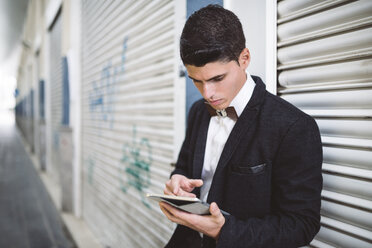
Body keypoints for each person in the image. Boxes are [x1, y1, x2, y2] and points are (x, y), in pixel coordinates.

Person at [159, 4, 323, 248]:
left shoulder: (294, 126)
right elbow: (184, 165)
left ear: (244, 58)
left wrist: (223, 231)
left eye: (217, 78)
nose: (208, 93)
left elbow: (301, 224)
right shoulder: (197, 112)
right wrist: (179, 180)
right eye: (197, 81)